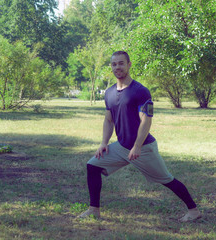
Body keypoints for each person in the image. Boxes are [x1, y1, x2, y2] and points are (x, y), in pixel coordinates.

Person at [78, 51, 201, 222]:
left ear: (129, 64)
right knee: (92, 166)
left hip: (143, 147)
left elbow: (146, 121)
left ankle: (193, 211)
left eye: (121, 63)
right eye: (114, 64)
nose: (117, 67)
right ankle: (94, 210)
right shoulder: (109, 93)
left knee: (166, 179)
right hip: (121, 146)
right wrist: (104, 142)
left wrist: (137, 146)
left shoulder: (141, 91)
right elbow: (108, 119)